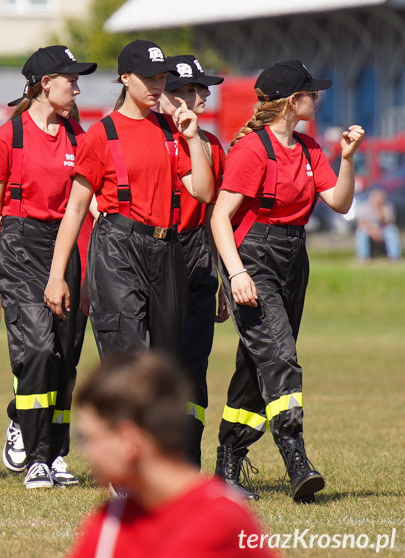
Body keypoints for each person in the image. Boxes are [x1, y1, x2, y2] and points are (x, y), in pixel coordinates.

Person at [211, 60, 364, 502]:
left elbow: (339, 201)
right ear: (290, 102)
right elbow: (220, 217)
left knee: (258, 363)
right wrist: (236, 272)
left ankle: (228, 464)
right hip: (253, 258)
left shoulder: (310, 147)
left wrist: (347, 159)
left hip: (293, 259)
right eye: (310, 93)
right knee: (280, 358)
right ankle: (296, 459)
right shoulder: (252, 150)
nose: (317, 99)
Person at [44, 40, 214, 373]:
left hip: (167, 250)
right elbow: (76, 210)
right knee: (128, 360)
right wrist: (56, 276)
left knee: (166, 366)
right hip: (117, 250)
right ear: (124, 77)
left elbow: (205, 193)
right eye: (148, 77)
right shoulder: (100, 135)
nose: (157, 86)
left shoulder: (172, 131)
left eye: (162, 78)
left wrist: (193, 138)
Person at [0, 45, 96, 489]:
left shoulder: (79, 136)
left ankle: (57, 454)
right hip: (20, 245)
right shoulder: (11, 136)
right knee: (39, 349)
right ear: (47, 83)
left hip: (64, 248)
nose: (78, 87)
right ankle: (36, 455)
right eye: (71, 79)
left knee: (64, 359)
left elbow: (87, 205)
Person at [65, 352, 277, 558]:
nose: (85, 452)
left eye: (88, 438)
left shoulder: (223, 521)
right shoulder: (108, 525)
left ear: (127, 442)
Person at [157, 54, 230, 466]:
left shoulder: (213, 144)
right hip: (155, 254)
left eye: (203, 89)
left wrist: (220, 278)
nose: (202, 95)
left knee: (193, 366)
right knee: (157, 363)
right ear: (168, 95)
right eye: (191, 89)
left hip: (198, 258)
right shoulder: (151, 137)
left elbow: (213, 217)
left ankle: (188, 459)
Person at [354, 188, 401, 261]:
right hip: (370, 229)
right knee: (361, 232)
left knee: (391, 231)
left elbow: (389, 222)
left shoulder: (387, 206)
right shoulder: (365, 206)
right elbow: (361, 222)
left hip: (383, 229)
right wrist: (372, 230)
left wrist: (379, 210)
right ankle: (363, 256)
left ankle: (394, 256)